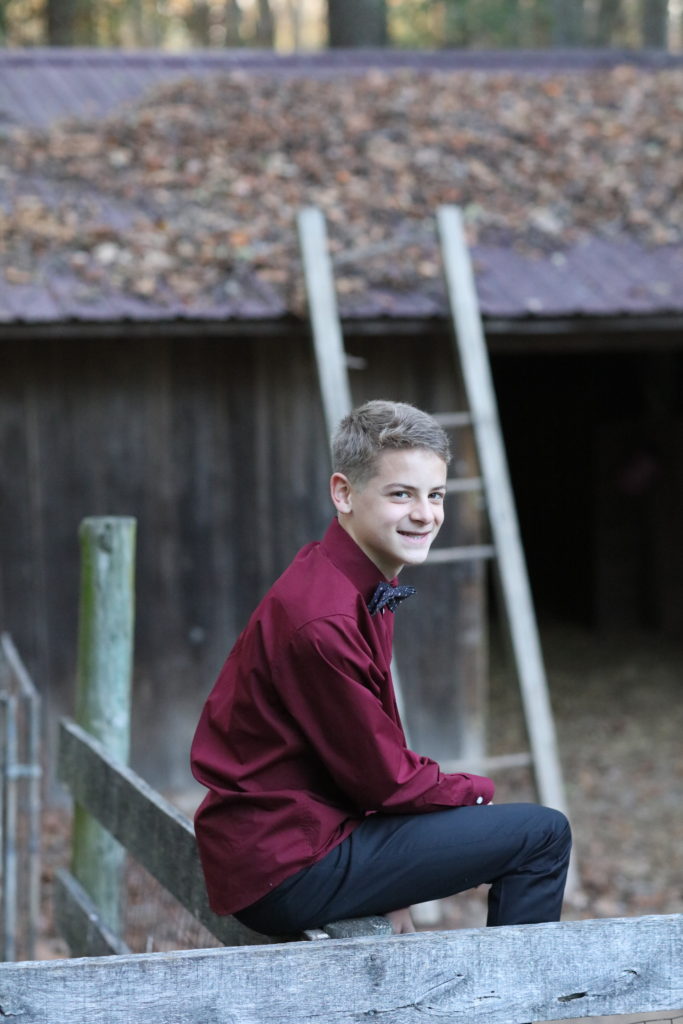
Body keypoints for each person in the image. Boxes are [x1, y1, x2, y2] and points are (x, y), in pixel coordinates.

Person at [190, 399, 571, 936]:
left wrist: (392, 885)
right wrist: (477, 791)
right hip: (287, 864)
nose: (425, 514)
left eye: (435, 495)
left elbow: (357, 761)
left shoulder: (345, 580)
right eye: (401, 494)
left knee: (526, 830)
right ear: (343, 493)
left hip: (296, 839)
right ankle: (515, 990)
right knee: (543, 835)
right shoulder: (323, 619)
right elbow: (386, 780)